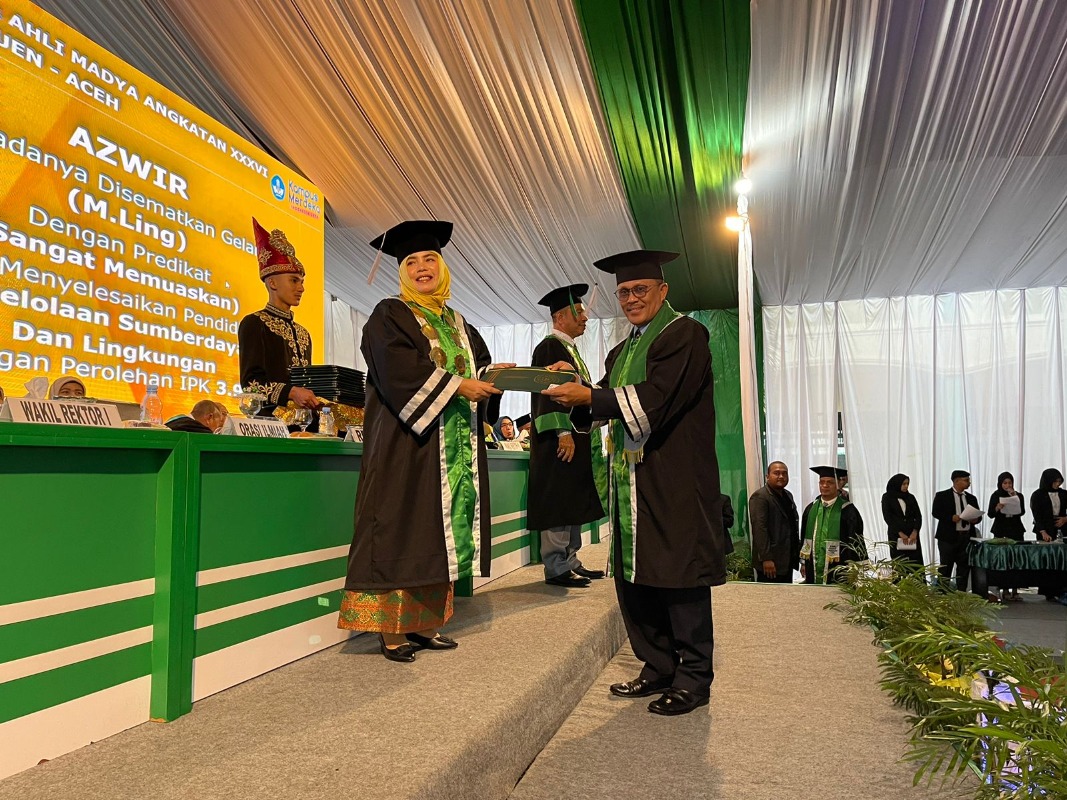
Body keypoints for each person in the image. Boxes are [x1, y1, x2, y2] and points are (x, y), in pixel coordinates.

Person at [543, 248, 726, 717]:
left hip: (674, 478)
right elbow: (604, 398)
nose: (631, 299)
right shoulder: (622, 351)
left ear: (663, 291)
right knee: (637, 575)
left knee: (678, 575)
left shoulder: (684, 334)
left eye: (640, 289)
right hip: (632, 481)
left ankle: (693, 677)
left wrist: (590, 395)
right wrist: (572, 385)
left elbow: (657, 398)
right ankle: (658, 664)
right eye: (623, 292)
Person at [338, 220, 508, 663]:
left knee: (436, 533)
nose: (421, 268)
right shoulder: (389, 314)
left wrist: (495, 377)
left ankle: (426, 623)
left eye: (429, 259)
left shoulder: (458, 323)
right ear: (402, 272)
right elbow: (397, 370)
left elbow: (476, 371)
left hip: (452, 450)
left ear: (442, 266)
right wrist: (458, 386)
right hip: (405, 445)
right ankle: (392, 630)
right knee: (401, 530)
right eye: (411, 262)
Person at [528, 283, 607, 589]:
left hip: (575, 436)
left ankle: (570, 560)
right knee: (559, 501)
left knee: (571, 500)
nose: (585, 318)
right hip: (558, 441)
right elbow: (549, 393)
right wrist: (562, 431)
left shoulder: (569, 349)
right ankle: (556, 566)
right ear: (560, 317)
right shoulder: (549, 348)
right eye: (579, 313)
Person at [237, 218, 319, 414]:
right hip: (270, 423)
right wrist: (291, 392)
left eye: (301, 282)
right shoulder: (255, 323)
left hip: (305, 422)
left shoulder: (303, 333)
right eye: (294, 281)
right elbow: (251, 384)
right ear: (272, 283)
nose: (301, 288)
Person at [800, 466, 865, 584]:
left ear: (838, 484)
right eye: (822, 482)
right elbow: (804, 537)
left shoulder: (848, 510)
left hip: (839, 567)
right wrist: (803, 563)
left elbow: (856, 541)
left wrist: (854, 568)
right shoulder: (811, 509)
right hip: (812, 567)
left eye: (829, 482)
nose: (825, 485)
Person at [749, 461, 799, 583]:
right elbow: (760, 529)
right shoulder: (760, 497)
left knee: (786, 593)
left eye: (784, 473)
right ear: (767, 476)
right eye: (776, 473)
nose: (781, 476)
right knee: (769, 594)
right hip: (770, 561)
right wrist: (766, 558)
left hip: (786, 559)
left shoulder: (788, 495)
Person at [931, 470, 981, 591]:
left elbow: (978, 515)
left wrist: (976, 519)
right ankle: (942, 594)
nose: (969, 483)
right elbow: (936, 512)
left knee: (964, 568)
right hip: (948, 538)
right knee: (946, 567)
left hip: (966, 537)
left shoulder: (971, 498)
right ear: (957, 481)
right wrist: (950, 517)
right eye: (966, 480)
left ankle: (961, 593)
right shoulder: (942, 496)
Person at [988, 472, 1026, 600]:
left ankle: (1015, 589)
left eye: (1010, 483)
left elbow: (1022, 512)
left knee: (1016, 559)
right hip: (1001, 529)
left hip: (1016, 529)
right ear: (1000, 484)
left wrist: (1015, 499)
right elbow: (990, 514)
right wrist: (997, 508)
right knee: (1003, 560)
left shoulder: (1018, 495)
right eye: (1005, 483)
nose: (1008, 485)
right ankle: (1004, 589)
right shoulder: (996, 495)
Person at [1031, 468, 1067, 603]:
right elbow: (1037, 515)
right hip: (1045, 529)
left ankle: (1062, 589)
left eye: (1059, 481)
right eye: (1055, 481)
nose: (1058, 484)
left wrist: (1065, 519)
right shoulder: (1038, 495)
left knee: (1061, 559)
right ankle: (1048, 591)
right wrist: (1043, 532)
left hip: (1062, 528)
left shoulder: (1064, 494)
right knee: (1047, 560)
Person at [881, 474, 924, 567]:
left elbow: (918, 516)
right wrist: (900, 533)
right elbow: (888, 517)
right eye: (904, 484)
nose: (906, 486)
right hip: (896, 535)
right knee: (900, 564)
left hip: (912, 536)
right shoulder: (887, 497)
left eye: (907, 484)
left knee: (915, 563)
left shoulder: (910, 497)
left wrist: (915, 531)